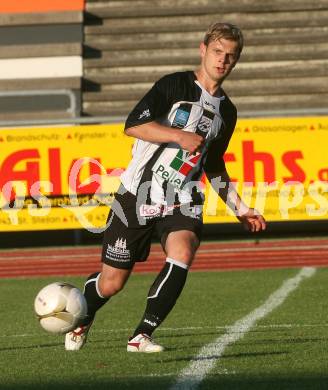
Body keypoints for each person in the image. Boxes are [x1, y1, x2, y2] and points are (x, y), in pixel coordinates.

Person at [65, 22, 266, 352]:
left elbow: (214, 165)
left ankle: (142, 334)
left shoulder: (226, 112)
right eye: (217, 52)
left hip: (181, 199)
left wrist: (240, 208)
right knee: (112, 283)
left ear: (237, 61)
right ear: (203, 50)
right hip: (136, 194)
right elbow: (133, 126)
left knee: (183, 252)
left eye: (231, 56)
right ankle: (81, 318)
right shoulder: (174, 85)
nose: (223, 61)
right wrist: (177, 135)